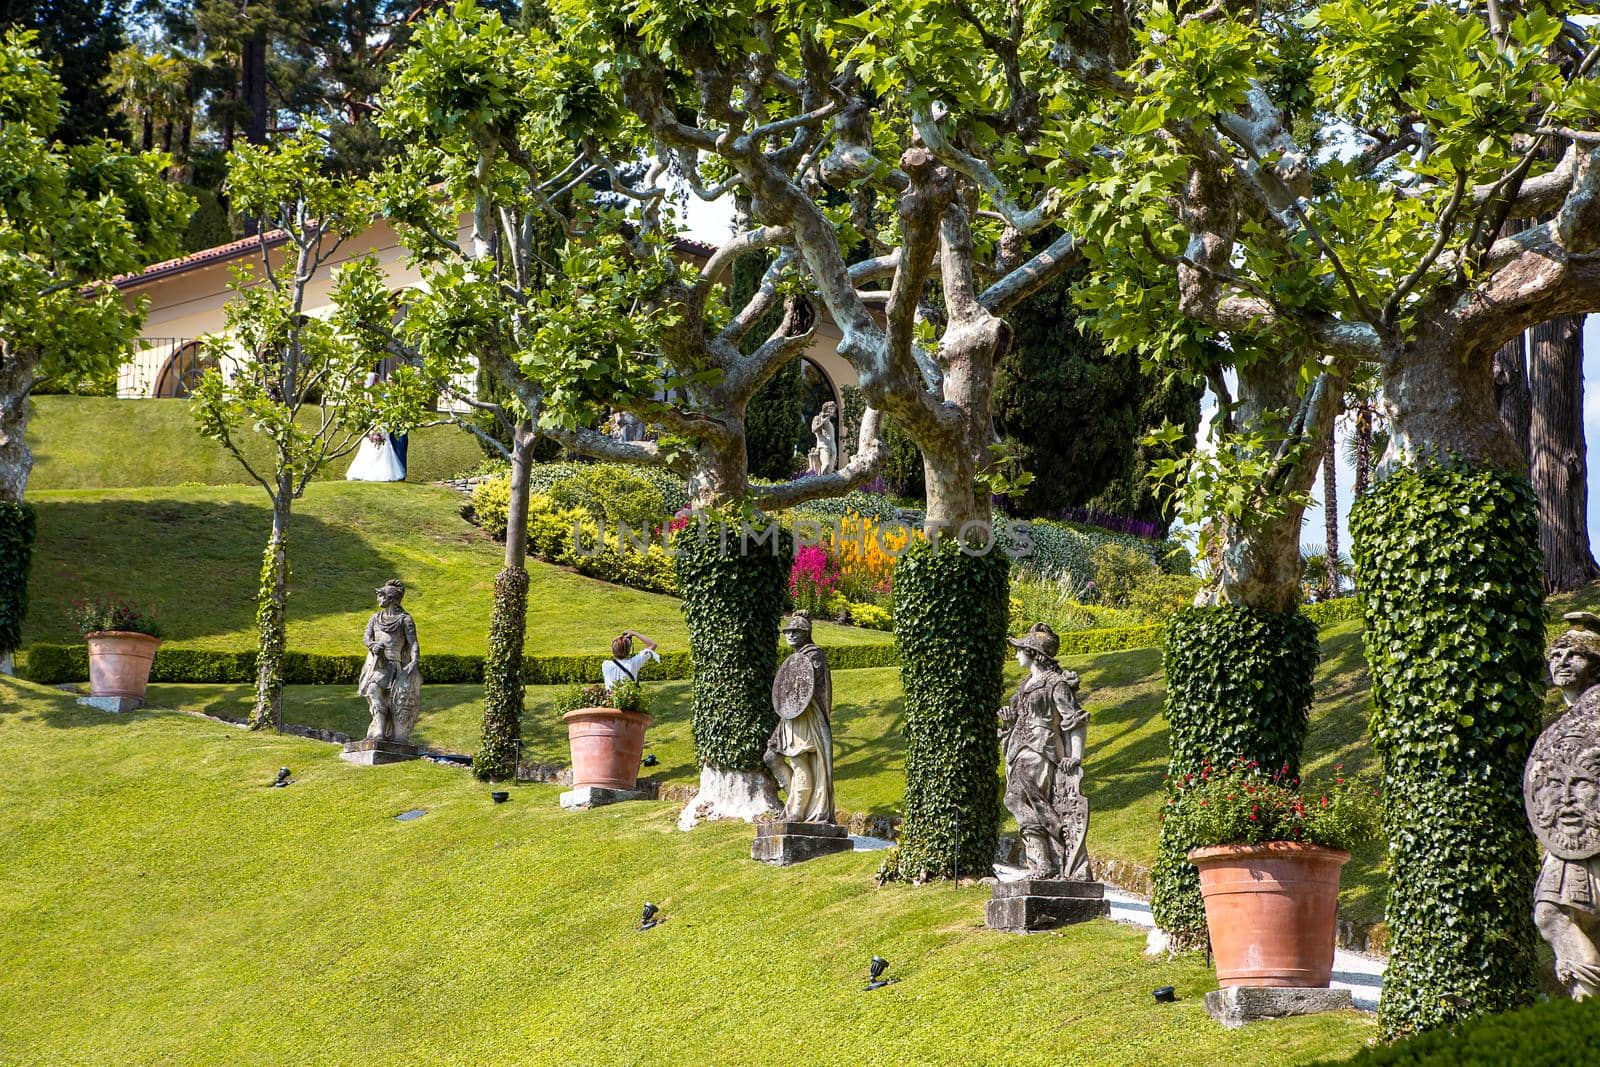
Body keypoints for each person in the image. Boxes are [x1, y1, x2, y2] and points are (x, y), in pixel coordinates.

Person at [1528, 612, 1600, 1000]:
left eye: (1575, 655)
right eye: (1556, 655)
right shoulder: (1568, 722)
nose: (1562, 663)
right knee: (1555, 916)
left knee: (1552, 915)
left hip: (1589, 835)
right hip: (1569, 835)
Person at [1000, 622, 1092, 879]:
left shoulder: (1055, 683)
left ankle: (1046, 861)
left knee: (1032, 801)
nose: (1016, 653)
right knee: (1015, 800)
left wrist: (1075, 757)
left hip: (1041, 749)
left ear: (1032, 652)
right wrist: (1007, 723)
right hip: (1019, 749)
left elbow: (1074, 719)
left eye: (1020, 649)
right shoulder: (1024, 687)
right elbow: (1018, 719)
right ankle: (1043, 858)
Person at [765, 611, 836, 823]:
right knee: (771, 757)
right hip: (791, 717)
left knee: (798, 761)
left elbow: (811, 691)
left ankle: (798, 811)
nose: (791, 635)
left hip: (807, 717)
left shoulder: (813, 655)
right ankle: (796, 805)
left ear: (806, 632)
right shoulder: (798, 657)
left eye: (796, 631)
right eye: (788, 631)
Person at [358, 579, 422, 742]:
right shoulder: (375, 618)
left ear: (391, 599)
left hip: (395, 664)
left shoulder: (404, 619)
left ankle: (390, 731)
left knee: (396, 702)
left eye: (381, 596)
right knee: (373, 689)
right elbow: (366, 637)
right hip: (377, 663)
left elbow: (413, 642)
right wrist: (372, 645)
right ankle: (378, 728)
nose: (378, 599)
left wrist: (414, 662)